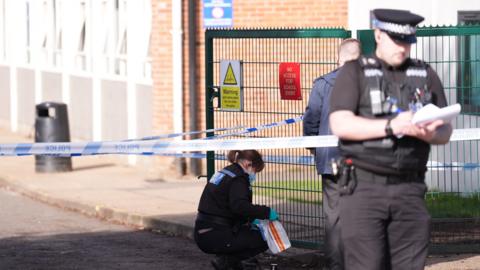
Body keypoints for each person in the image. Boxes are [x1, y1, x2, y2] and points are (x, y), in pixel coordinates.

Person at [329, 9, 453, 270]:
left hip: (410, 189)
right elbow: (340, 123)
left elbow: (445, 131)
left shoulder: (425, 74)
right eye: (397, 40)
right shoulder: (355, 73)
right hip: (364, 188)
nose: (403, 48)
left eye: (408, 41)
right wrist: (390, 125)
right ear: (378, 35)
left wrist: (432, 133)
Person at [303, 38, 361, 270]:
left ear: (339, 58)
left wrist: (316, 149)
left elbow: (311, 122)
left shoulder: (323, 85)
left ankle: (336, 266)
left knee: (334, 216)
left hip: (331, 162)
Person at [194, 150, 279, 270]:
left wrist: (252, 219)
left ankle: (231, 263)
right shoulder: (238, 179)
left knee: (248, 232)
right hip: (214, 234)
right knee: (264, 237)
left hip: (204, 230)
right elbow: (239, 206)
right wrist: (266, 212)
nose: (254, 174)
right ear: (248, 164)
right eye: (255, 170)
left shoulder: (225, 172)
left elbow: (228, 207)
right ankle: (225, 261)